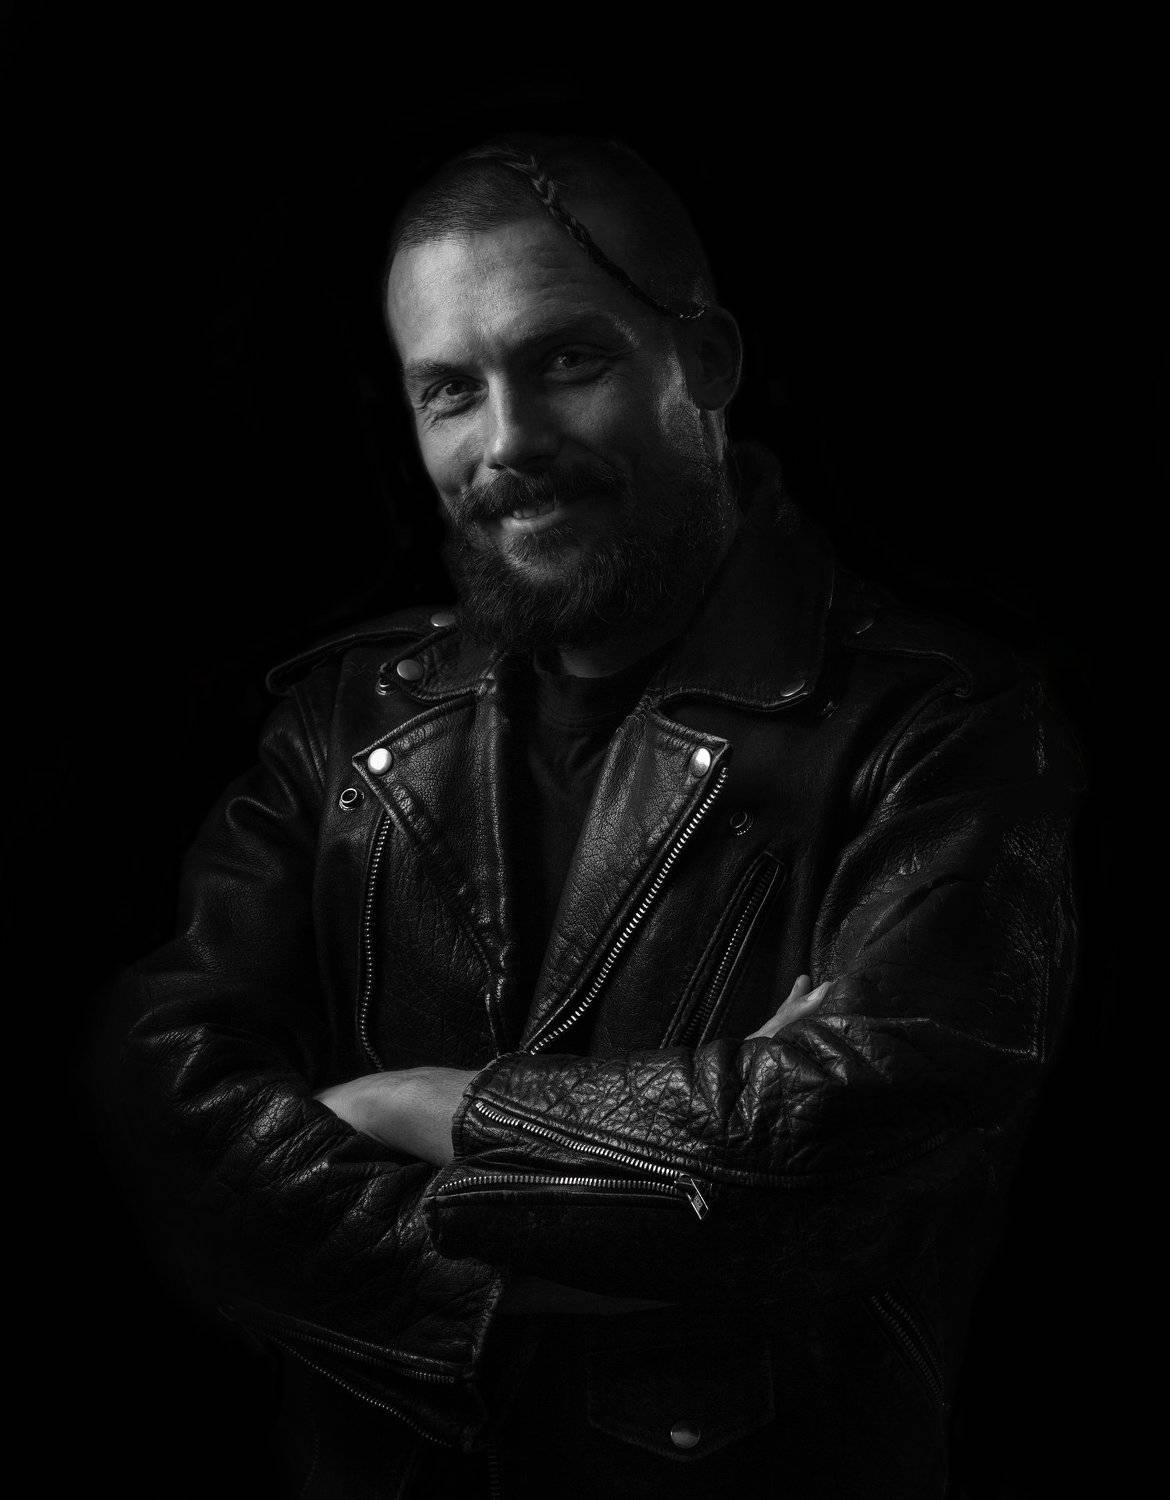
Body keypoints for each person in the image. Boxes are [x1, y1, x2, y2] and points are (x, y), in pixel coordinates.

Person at [107, 135, 1081, 1498]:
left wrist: (431, 1108)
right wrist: (654, 1201)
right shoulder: (342, 723)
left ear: (709, 363)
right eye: (450, 391)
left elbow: (847, 1159)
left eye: (566, 360)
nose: (507, 442)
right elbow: (158, 1128)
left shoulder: (940, 730)